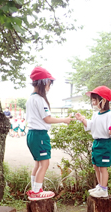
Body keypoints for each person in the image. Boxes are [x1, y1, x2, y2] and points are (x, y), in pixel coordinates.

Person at [26, 66, 72, 201]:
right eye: (49, 83)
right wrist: (64, 120)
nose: (49, 86)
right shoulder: (39, 99)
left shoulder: (31, 98)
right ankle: (37, 191)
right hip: (40, 135)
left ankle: (34, 189)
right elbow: (47, 119)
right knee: (44, 164)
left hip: (32, 134)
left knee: (38, 164)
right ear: (43, 82)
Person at [75, 86, 111, 198]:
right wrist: (82, 119)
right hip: (97, 143)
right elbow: (90, 125)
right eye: (92, 100)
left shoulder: (109, 115)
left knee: (103, 167)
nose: (93, 102)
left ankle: (104, 189)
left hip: (105, 144)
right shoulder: (96, 114)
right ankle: (100, 186)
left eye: (95, 100)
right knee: (96, 166)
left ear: (103, 100)